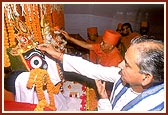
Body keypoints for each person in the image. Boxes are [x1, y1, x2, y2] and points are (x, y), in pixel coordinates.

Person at [38, 35, 164, 111]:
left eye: (127, 64)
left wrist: (104, 101)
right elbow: (94, 69)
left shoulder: (149, 108)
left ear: (146, 78)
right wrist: (59, 55)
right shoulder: (127, 76)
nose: (119, 65)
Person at [62, 29, 123, 98]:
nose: (101, 44)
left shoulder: (117, 60)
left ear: (111, 47)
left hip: (107, 88)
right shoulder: (103, 47)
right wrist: (70, 38)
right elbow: (86, 45)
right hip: (96, 78)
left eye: (104, 43)